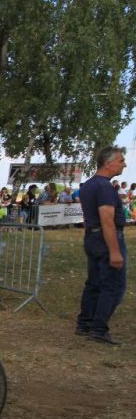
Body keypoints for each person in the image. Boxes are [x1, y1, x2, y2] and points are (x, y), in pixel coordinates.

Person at [76, 146, 128, 345]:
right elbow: (107, 219)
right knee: (113, 285)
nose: (124, 164)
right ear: (108, 163)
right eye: (121, 160)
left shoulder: (89, 185)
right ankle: (98, 328)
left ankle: (85, 323)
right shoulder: (105, 187)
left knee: (94, 282)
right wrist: (115, 251)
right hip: (106, 238)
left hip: (92, 236)